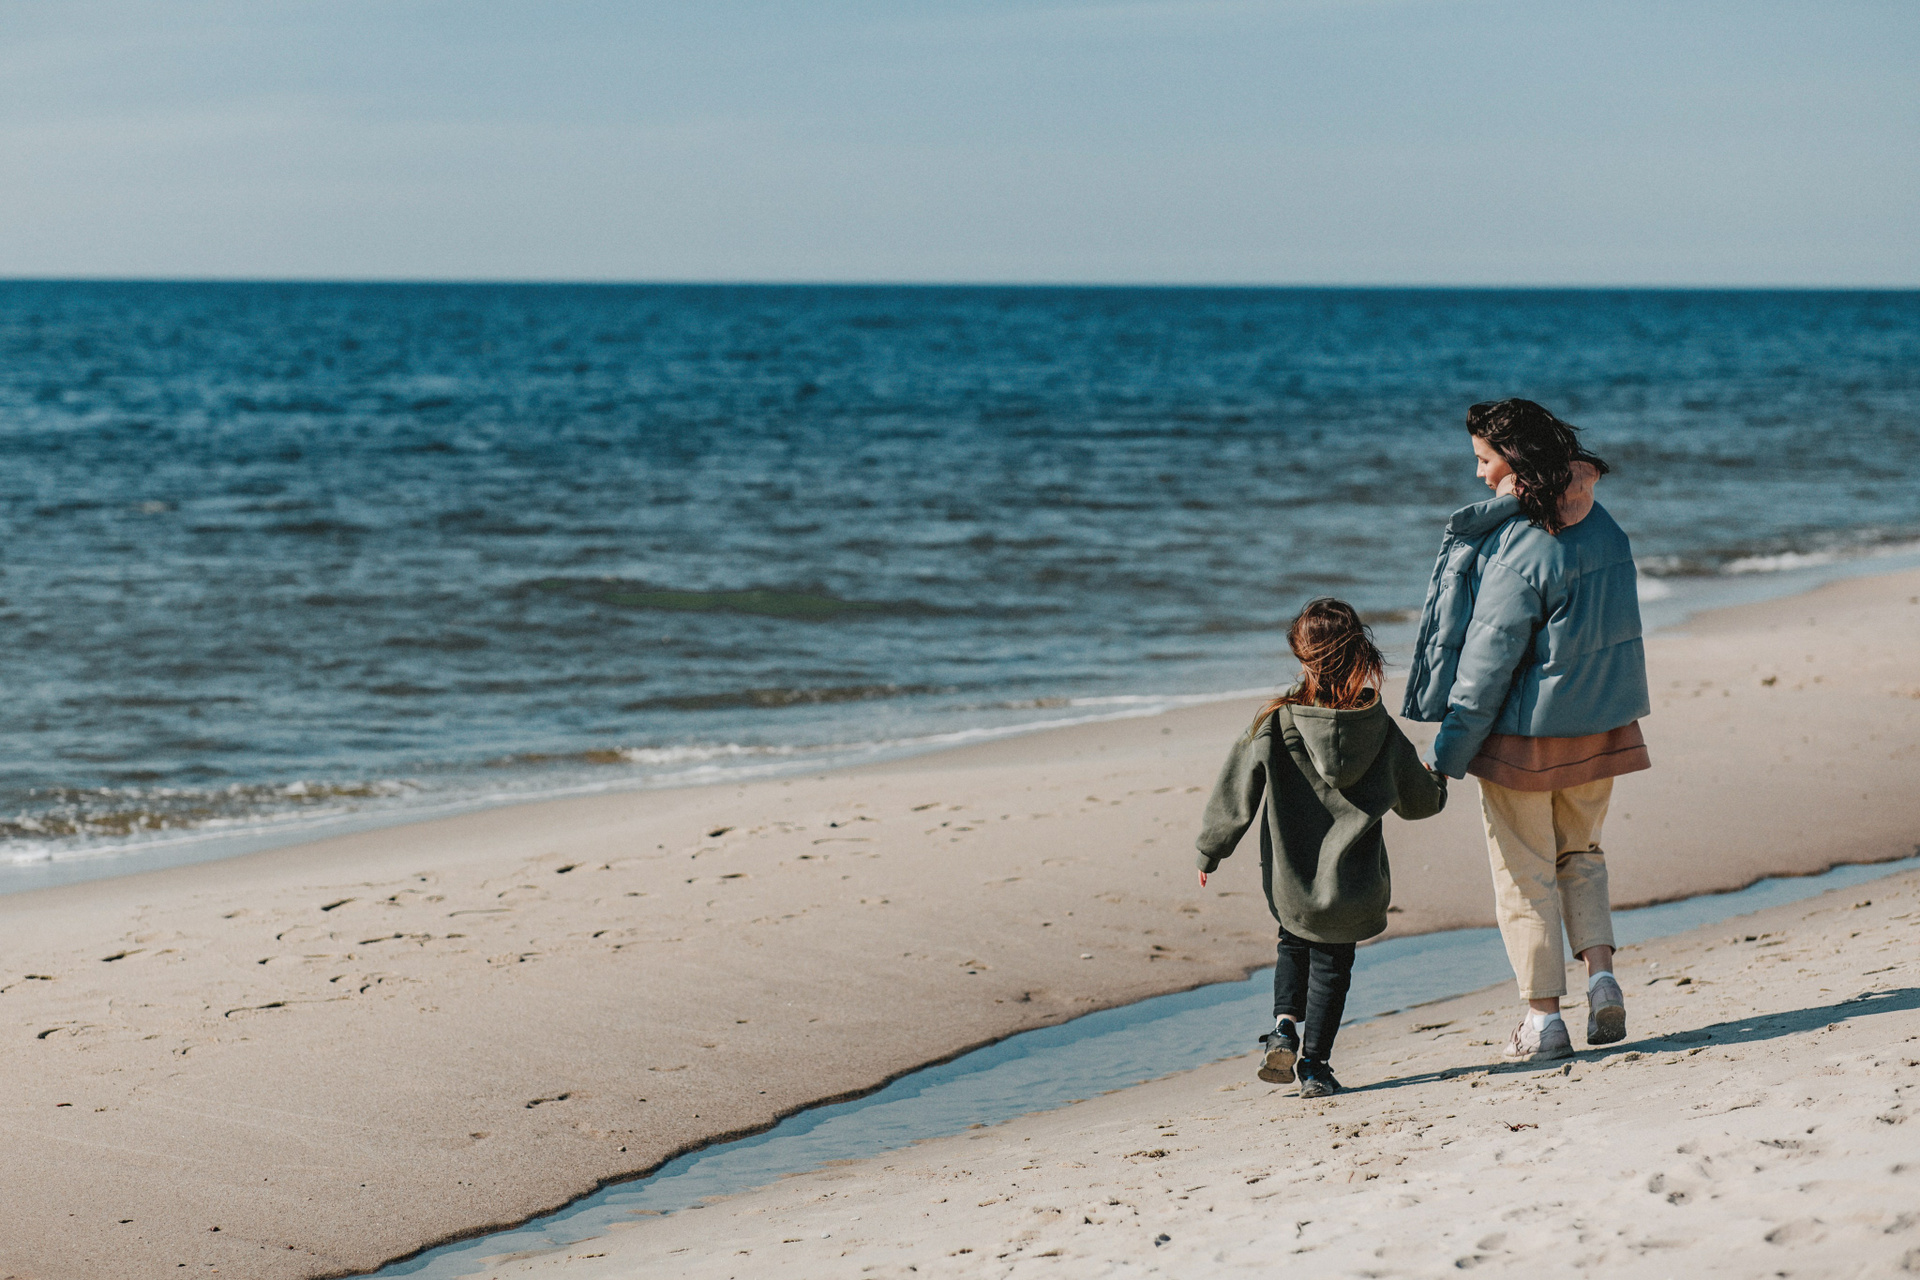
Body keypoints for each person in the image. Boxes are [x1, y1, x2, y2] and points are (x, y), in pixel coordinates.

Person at [1403, 398, 1651, 1063]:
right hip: (1599, 728)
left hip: (1524, 740)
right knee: (1583, 855)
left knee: (1525, 876)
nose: (1479, 474)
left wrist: (1447, 752)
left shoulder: (1521, 545)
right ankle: (1601, 979)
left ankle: (1543, 1020)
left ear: (1514, 460)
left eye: (1484, 460)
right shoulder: (1605, 525)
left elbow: (1487, 665)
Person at [1196, 598, 1448, 1097]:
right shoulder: (1377, 726)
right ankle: (1314, 1067)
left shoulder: (1276, 719)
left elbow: (1236, 790)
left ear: (1300, 654)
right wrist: (1436, 779)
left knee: (1293, 941)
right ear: (1359, 652)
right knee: (1333, 967)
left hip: (1292, 877)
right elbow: (1419, 803)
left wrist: (1211, 850)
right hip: (1353, 884)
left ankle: (1283, 1028)